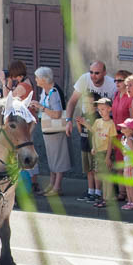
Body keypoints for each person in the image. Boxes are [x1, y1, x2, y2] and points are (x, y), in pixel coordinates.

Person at [65, 61, 116, 202]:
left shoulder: (112, 85)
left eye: (97, 73)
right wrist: (69, 120)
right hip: (86, 138)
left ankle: (101, 193)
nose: (93, 76)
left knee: (100, 167)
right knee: (88, 168)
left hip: (104, 131)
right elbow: (72, 101)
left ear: (104, 73)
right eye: (91, 72)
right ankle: (91, 190)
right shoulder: (84, 79)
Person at [30, 66, 70, 197]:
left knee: (58, 159)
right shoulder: (45, 91)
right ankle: (52, 185)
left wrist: (41, 107)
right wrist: (37, 107)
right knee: (52, 159)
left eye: (37, 77)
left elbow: (57, 114)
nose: (35, 80)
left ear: (43, 79)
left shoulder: (54, 92)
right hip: (48, 130)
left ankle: (57, 187)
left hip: (56, 130)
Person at [90, 98, 117, 208]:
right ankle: (103, 197)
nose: (100, 111)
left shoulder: (111, 124)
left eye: (103, 109)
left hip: (106, 152)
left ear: (109, 109)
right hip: (98, 152)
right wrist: (93, 147)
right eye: (99, 109)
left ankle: (108, 198)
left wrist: (107, 157)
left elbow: (111, 141)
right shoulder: (97, 122)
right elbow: (94, 135)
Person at [118, 117, 133, 210]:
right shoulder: (126, 139)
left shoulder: (130, 140)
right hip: (127, 164)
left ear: (131, 130)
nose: (122, 129)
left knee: (130, 185)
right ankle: (130, 201)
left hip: (130, 165)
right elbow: (124, 153)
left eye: (124, 128)